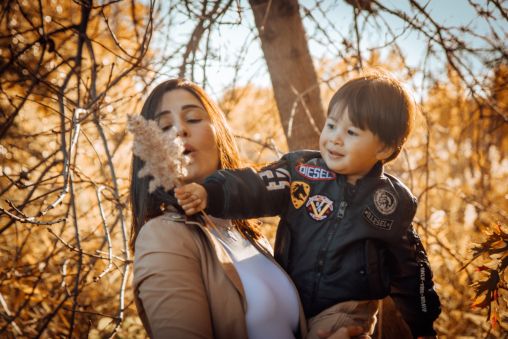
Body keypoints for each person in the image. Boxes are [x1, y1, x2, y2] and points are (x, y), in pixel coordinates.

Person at [175, 70, 442, 339]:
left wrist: (423, 327)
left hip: (345, 308)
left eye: (351, 131)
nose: (335, 138)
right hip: (290, 293)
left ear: (383, 149)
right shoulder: (301, 170)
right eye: (331, 125)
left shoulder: (391, 204)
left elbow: (411, 269)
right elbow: (257, 184)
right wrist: (212, 193)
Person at [130, 79, 367, 339]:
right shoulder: (163, 236)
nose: (179, 130)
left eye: (194, 119)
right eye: (164, 126)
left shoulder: (249, 235)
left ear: (219, 131)